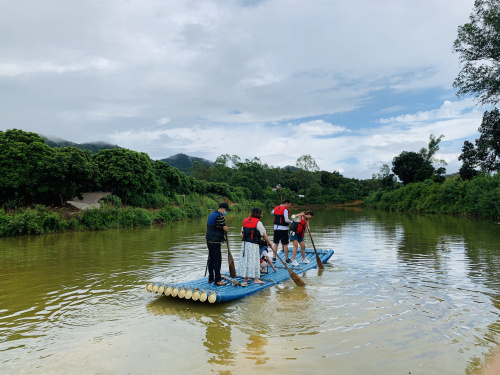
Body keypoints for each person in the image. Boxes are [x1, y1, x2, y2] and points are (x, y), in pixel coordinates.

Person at [237, 208, 273, 284]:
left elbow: (242, 232)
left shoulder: (245, 220)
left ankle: (246, 278)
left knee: (245, 259)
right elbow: (263, 234)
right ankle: (256, 280)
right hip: (253, 244)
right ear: (259, 214)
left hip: (244, 244)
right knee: (255, 260)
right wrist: (268, 242)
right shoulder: (258, 222)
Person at [206, 202, 231, 286]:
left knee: (211, 259)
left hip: (209, 240)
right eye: (226, 210)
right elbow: (225, 228)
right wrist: (226, 229)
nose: (226, 212)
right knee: (217, 260)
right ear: (222, 209)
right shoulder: (220, 216)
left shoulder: (211, 215)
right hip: (215, 241)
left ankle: (211, 278)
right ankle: (218, 280)